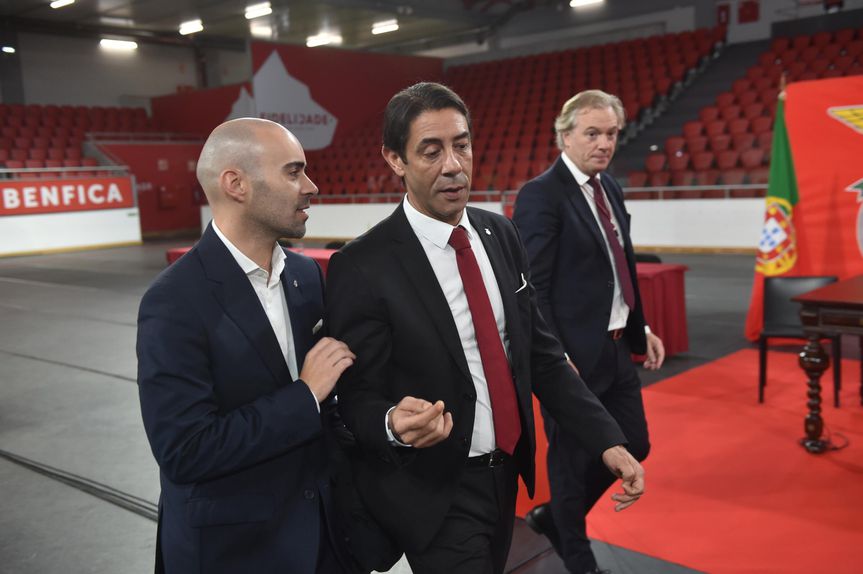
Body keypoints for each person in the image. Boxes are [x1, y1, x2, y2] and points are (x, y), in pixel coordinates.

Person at [325, 82, 645, 574]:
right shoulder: (363, 264)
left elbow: (540, 354)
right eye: (431, 151)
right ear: (395, 159)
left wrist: (606, 439)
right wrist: (392, 423)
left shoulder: (501, 234)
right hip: (436, 492)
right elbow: (354, 397)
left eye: (462, 145)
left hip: (506, 476)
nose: (454, 165)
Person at [137, 118, 358, 574]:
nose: (311, 186)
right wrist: (304, 396)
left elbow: (329, 410)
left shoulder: (305, 276)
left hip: (324, 540)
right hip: (236, 553)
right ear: (236, 184)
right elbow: (185, 450)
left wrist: (390, 422)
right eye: (293, 172)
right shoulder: (173, 300)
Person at [513, 90, 665, 574]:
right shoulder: (541, 194)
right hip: (572, 359)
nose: (604, 143)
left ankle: (558, 520)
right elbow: (532, 286)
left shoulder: (609, 187)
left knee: (636, 444)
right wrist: (554, 355)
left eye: (612, 134)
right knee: (570, 465)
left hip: (617, 349)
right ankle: (580, 562)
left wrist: (641, 325)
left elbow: (622, 267)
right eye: (593, 133)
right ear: (565, 135)